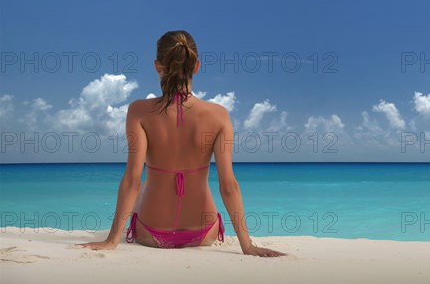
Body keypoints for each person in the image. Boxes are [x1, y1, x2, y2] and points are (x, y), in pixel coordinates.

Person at [77, 30, 286, 257]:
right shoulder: (218, 115)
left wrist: (111, 241)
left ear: (157, 66)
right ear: (196, 66)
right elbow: (228, 186)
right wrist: (248, 246)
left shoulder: (139, 111)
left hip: (152, 233)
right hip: (203, 233)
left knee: (145, 184)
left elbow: (132, 180)